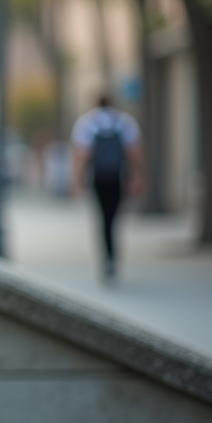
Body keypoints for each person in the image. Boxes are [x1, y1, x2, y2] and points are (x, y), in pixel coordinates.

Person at [70, 95, 144, 282]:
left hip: (99, 178)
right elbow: (133, 152)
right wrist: (137, 176)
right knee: (114, 218)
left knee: (103, 218)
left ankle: (108, 258)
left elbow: (82, 155)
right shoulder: (125, 122)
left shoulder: (88, 123)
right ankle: (113, 257)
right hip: (118, 177)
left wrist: (77, 181)